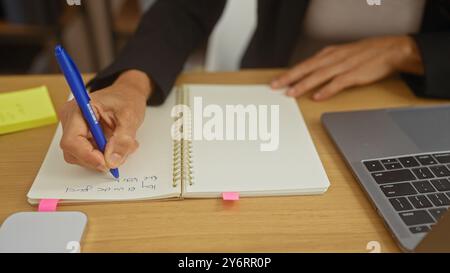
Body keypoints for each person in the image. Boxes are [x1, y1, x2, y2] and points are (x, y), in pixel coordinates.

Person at [59, 0, 450, 173]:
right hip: (282, 85)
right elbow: (184, 7)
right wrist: (132, 81)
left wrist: (410, 50)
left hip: (418, 91)